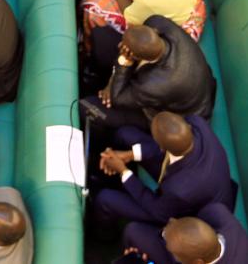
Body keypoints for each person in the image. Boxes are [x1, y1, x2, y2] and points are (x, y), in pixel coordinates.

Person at [92, 112, 236, 233]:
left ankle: (106, 236)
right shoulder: (197, 123)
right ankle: (108, 163)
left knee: (105, 198)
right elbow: (165, 148)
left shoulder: (179, 190)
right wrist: (129, 155)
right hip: (188, 174)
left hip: (184, 211)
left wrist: (123, 171)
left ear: (162, 147)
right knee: (125, 134)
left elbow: (159, 211)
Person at [88, 19, 216, 128]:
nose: (120, 45)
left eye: (124, 47)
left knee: (88, 107)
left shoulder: (157, 84)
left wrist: (123, 63)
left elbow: (118, 98)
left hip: (175, 115)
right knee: (100, 36)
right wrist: (112, 81)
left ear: (135, 56)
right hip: (182, 86)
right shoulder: (157, 22)